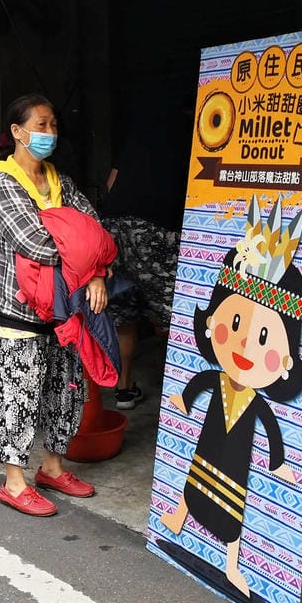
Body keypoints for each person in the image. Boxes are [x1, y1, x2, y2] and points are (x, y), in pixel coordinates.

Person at [159, 198, 302, 597]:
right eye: (235, 323)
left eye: (263, 338)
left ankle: (231, 566)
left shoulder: (257, 401)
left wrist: (278, 464)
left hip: (238, 461)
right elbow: (200, 383)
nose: (244, 343)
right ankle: (177, 516)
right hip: (208, 447)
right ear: (212, 321)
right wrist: (185, 401)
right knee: (196, 480)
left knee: (231, 511)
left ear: (285, 362)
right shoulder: (217, 378)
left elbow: (273, 430)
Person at [0, 94, 105, 516]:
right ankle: (14, 481)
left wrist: (94, 270)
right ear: (17, 132)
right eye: (41, 125)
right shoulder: (3, 183)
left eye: (53, 125)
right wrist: (83, 254)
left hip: (63, 308)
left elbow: (95, 230)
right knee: (17, 393)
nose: (49, 134)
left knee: (65, 388)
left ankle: (52, 467)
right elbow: (34, 243)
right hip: (18, 311)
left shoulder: (59, 180)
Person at [100, 90, 192, 409]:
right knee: (174, 313)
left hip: (113, 230)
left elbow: (111, 184)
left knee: (125, 311)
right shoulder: (188, 136)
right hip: (155, 229)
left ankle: (124, 389)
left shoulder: (136, 138)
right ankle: (180, 395)